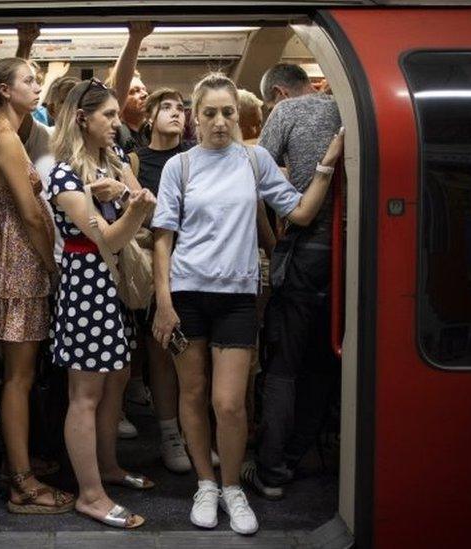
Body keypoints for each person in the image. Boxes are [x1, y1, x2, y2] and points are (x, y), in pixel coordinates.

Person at [150, 73, 343, 535]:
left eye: (228, 112)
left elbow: (298, 212)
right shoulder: (181, 166)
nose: (220, 122)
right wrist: (163, 302)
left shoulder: (254, 161)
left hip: (237, 297)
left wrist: (326, 166)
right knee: (192, 396)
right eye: (210, 113)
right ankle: (205, 484)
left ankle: (232, 486)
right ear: (197, 117)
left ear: (239, 115)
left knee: (230, 403)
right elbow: (162, 238)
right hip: (186, 295)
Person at [48, 78, 158, 529]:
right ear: (82, 119)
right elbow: (109, 236)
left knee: (115, 381)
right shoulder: (64, 174)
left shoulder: (107, 162)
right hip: (86, 282)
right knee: (86, 394)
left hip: (107, 283)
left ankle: (108, 467)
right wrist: (132, 207)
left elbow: (145, 201)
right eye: (108, 115)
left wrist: (127, 193)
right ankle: (90, 495)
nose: (117, 123)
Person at [242, 63, 344, 502]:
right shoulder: (349, 107)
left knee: (284, 364)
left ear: (278, 94)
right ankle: (301, 452)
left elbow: (254, 170)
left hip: (305, 248)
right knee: (323, 361)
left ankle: (270, 470)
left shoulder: (287, 112)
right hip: (352, 252)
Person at [0, 57, 74, 515]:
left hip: (11, 260)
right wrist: (51, 266)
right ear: (3, 90)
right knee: (20, 378)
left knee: (18, 375)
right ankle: (21, 482)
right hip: (20, 263)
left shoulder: (2, 135)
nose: (37, 88)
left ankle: (16, 462)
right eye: (29, 81)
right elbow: (32, 215)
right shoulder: (6, 139)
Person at [128, 88, 194, 473]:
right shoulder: (137, 161)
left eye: (180, 108)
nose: (175, 113)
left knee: (193, 357)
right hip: (155, 265)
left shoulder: (193, 160)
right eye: (166, 107)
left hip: (194, 263)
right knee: (161, 354)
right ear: (149, 117)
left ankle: (191, 432)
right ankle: (170, 435)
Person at [107, 21, 154, 153]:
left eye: (144, 90)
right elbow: (120, 85)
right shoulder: (114, 131)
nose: (144, 95)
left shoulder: (153, 131)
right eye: (134, 91)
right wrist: (135, 39)